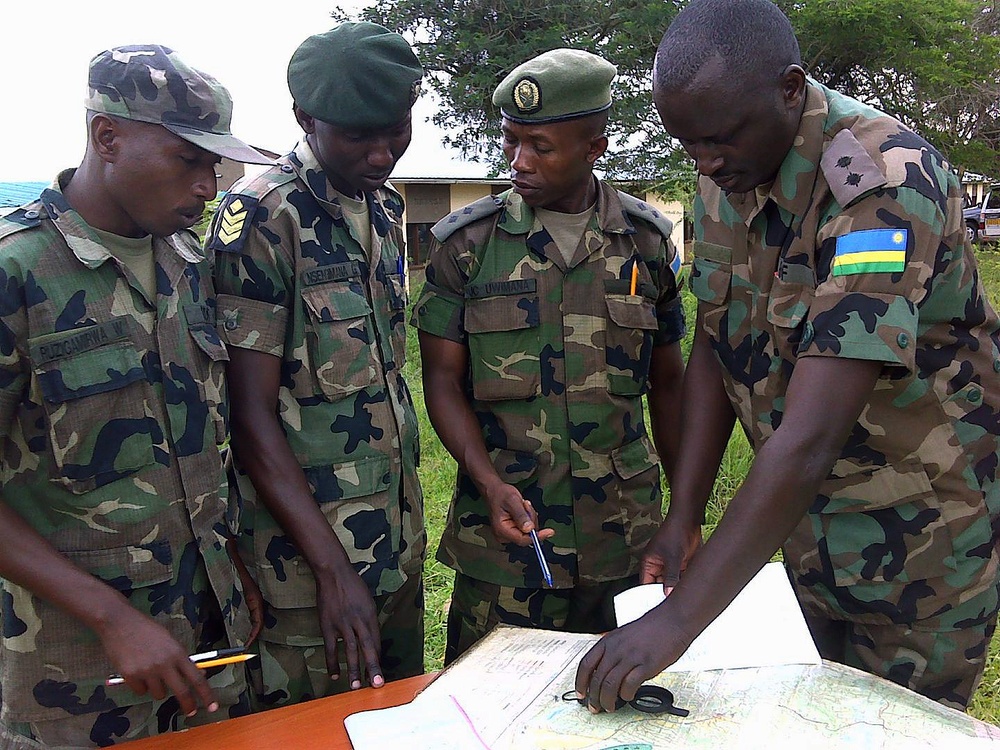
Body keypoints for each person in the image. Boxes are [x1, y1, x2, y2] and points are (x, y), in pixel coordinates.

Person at [576, 0, 1000, 713]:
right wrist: (686, 514)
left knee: (887, 728)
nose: (705, 162)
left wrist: (677, 623)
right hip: (810, 532)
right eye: (687, 145)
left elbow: (810, 438)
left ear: (791, 87)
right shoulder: (728, 174)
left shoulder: (881, 186)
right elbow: (718, 339)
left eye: (719, 139)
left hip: (924, 543)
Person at [0, 44, 271, 747]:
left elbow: (204, 442)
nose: (209, 186)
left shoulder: (186, 264)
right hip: (80, 677)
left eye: (215, 165)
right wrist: (112, 619)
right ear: (107, 137)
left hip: (209, 646)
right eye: (188, 160)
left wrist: (232, 569)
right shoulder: (17, 273)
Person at [413, 48, 686, 664]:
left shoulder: (645, 243)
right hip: (507, 540)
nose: (519, 163)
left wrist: (682, 513)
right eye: (512, 142)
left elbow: (670, 383)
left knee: (621, 708)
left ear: (595, 146)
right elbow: (441, 381)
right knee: (487, 710)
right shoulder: (468, 246)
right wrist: (486, 481)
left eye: (541, 146)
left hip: (624, 537)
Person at [206, 22, 426, 708]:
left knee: (396, 725)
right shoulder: (265, 219)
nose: (382, 151)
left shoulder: (384, 207)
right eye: (359, 135)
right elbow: (250, 417)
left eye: (396, 130)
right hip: (306, 575)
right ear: (305, 119)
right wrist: (333, 573)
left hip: (396, 549)